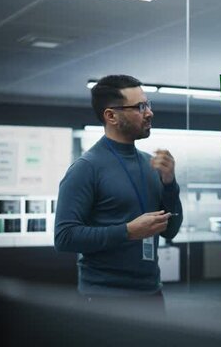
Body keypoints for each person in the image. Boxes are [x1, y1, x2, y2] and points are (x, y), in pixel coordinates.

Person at [54, 75, 183, 302]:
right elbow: (65, 237)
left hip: (151, 293)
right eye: (139, 107)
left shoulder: (151, 164)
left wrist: (170, 184)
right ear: (111, 116)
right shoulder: (86, 168)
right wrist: (128, 231)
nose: (149, 113)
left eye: (148, 104)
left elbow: (170, 231)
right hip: (104, 298)